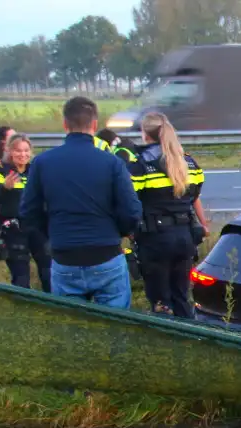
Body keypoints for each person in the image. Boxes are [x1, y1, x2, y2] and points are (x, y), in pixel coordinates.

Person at [19, 96, 143, 309]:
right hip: (106, 252)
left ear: (65, 124)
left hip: (64, 255)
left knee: (74, 329)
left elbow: (28, 211)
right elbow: (132, 211)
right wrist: (119, 232)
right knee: (115, 328)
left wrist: (53, 234)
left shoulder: (42, 162)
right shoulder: (112, 162)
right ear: (94, 125)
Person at [128, 112, 206, 318]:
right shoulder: (189, 162)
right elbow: (195, 195)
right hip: (186, 238)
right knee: (181, 296)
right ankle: (191, 339)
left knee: (161, 302)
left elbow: (130, 200)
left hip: (155, 240)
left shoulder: (141, 164)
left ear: (145, 134)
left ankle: (165, 345)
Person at [0, 134, 51, 292]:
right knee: (21, 276)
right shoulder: (1, 171)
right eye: (17, 151)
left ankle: (53, 308)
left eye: (26, 150)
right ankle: (23, 310)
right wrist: (5, 188)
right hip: (14, 230)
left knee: (48, 271)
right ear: (9, 151)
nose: (22, 154)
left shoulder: (36, 170)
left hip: (38, 228)